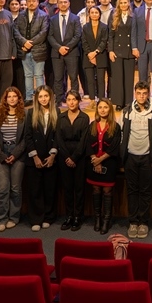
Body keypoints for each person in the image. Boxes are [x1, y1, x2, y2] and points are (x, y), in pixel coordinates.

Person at [120, 82, 152, 238]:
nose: (142, 96)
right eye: (139, 93)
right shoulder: (127, 111)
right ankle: (133, 222)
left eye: (144, 93)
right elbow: (121, 133)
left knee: (145, 191)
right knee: (132, 191)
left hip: (147, 157)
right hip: (131, 156)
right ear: (135, 93)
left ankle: (143, 222)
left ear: (148, 94)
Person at [23, 85, 59, 232]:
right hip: (34, 157)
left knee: (50, 189)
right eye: (41, 96)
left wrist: (53, 155)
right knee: (35, 189)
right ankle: (36, 218)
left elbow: (58, 135)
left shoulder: (56, 112)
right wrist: (35, 157)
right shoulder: (31, 112)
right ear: (37, 99)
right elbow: (28, 136)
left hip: (50, 157)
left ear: (50, 97)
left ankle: (48, 217)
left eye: (46, 96)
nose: (43, 99)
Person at [0, 87, 27, 232]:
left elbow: (25, 138)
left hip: (18, 153)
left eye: (14, 96)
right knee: (2, 188)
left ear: (19, 99)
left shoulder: (24, 115)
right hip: (1, 153)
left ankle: (13, 217)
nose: (12, 99)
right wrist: (2, 155)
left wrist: (15, 154)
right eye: (9, 97)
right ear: (5, 99)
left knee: (15, 188)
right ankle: (1, 218)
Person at [57, 90, 91, 230]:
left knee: (79, 188)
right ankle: (69, 216)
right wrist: (67, 157)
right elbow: (59, 138)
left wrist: (74, 157)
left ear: (79, 101)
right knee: (68, 188)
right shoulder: (61, 117)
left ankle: (78, 217)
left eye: (74, 99)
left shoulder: (84, 117)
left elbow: (84, 140)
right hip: (64, 156)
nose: (71, 102)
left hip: (79, 156)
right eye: (69, 99)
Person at [87, 99, 121, 234]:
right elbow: (87, 144)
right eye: (100, 107)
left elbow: (114, 146)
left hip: (109, 163)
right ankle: (97, 218)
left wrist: (100, 160)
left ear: (110, 109)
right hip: (93, 162)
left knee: (107, 191)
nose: (102, 110)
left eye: (105, 107)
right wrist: (95, 160)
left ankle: (106, 220)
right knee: (96, 190)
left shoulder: (115, 127)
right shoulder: (92, 125)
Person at [14, 0, 49, 103]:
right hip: (24, 50)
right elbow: (16, 31)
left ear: (38, 2)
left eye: (33, 1)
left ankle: (40, 97)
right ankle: (29, 97)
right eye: (29, 1)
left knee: (38, 75)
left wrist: (30, 43)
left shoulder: (43, 16)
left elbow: (43, 33)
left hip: (38, 50)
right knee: (28, 75)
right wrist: (24, 42)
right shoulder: (21, 15)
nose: (31, 3)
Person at [49, 0, 82, 100]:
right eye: (61, 2)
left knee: (73, 77)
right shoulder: (52, 19)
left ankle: (74, 99)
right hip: (57, 53)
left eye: (65, 2)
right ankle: (59, 99)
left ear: (69, 3)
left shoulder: (75, 18)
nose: (63, 4)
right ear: (57, 4)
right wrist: (59, 48)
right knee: (58, 78)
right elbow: (50, 36)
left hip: (72, 52)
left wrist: (67, 47)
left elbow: (77, 35)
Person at [107, 0, 137, 110]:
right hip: (116, 51)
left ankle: (128, 102)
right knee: (118, 78)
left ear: (129, 3)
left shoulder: (133, 16)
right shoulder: (113, 16)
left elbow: (134, 34)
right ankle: (119, 102)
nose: (123, 5)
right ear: (118, 4)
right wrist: (110, 50)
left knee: (129, 78)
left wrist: (135, 48)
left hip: (129, 51)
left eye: (125, 2)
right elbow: (110, 35)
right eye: (121, 3)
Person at [80, 5, 109, 101]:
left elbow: (104, 41)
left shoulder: (104, 27)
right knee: (90, 81)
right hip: (88, 57)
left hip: (100, 55)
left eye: (96, 12)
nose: (94, 14)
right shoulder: (85, 27)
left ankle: (101, 100)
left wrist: (96, 52)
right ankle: (92, 100)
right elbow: (84, 41)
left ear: (99, 14)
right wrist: (90, 54)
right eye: (92, 12)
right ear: (89, 14)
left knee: (101, 80)